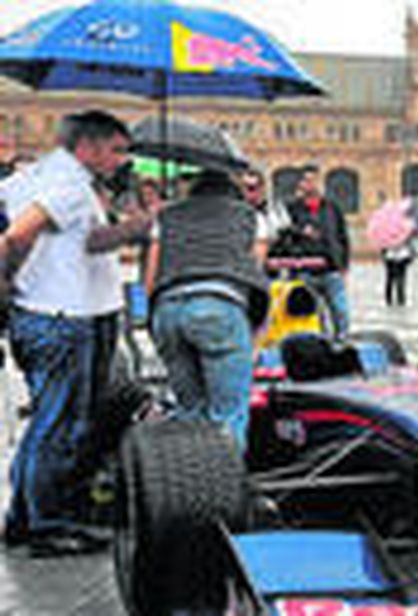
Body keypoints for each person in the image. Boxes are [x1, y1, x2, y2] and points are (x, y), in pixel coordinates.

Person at [0, 110, 135, 555]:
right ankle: (46, 525)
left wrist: (137, 224)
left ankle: (25, 519)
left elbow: (86, 243)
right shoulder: (69, 184)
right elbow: (17, 237)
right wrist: (7, 281)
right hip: (60, 316)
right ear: (88, 147)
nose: (120, 160)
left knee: (48, 420)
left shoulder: (37, 175)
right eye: (115, 150)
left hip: (51, 312)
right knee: (59, 425)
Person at [146, 162, 270, 451]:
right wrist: (255, 334)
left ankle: (190, 485)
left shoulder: (166, 217)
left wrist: (155, 321)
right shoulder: (251, 218)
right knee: (228, 415)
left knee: (189, 411)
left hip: (168, 310)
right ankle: (225, 489)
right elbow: (254, 271)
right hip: (219, 307)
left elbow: (151, 276)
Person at [282, 166, 350, 338]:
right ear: (301, 184)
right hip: (305, 270)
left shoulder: (332, 207)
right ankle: (321, 343)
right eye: (308, 181)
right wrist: (300, 231)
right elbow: (282, 233)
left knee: (341, 311)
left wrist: (344, 264)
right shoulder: (292, 208)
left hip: (331, 268)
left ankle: (342, 340)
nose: (312, 185)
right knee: (314, 315)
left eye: (315, 181)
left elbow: (342, 235)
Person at [382, 241, 414, 308]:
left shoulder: (386, 235)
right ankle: (400, 299)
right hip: (400, 256)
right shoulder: (403, 233)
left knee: (390, 279)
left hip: (392, 257)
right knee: (398, 279)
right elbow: (409, 245)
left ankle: (390, 299)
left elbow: (383, 247)